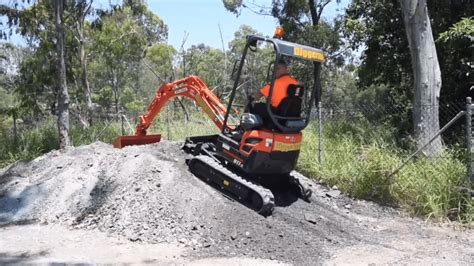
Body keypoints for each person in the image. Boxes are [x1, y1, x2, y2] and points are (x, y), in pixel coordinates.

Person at [251, 59, 299, 124]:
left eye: (278, 68)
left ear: (286, 69)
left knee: (252, 105)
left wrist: (251, 98)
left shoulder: (275, 83)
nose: (276, 71)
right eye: (275, 69)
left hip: (278, 116)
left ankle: (244, 129)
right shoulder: (296, 83)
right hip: (293, 116)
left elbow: (258, 95)